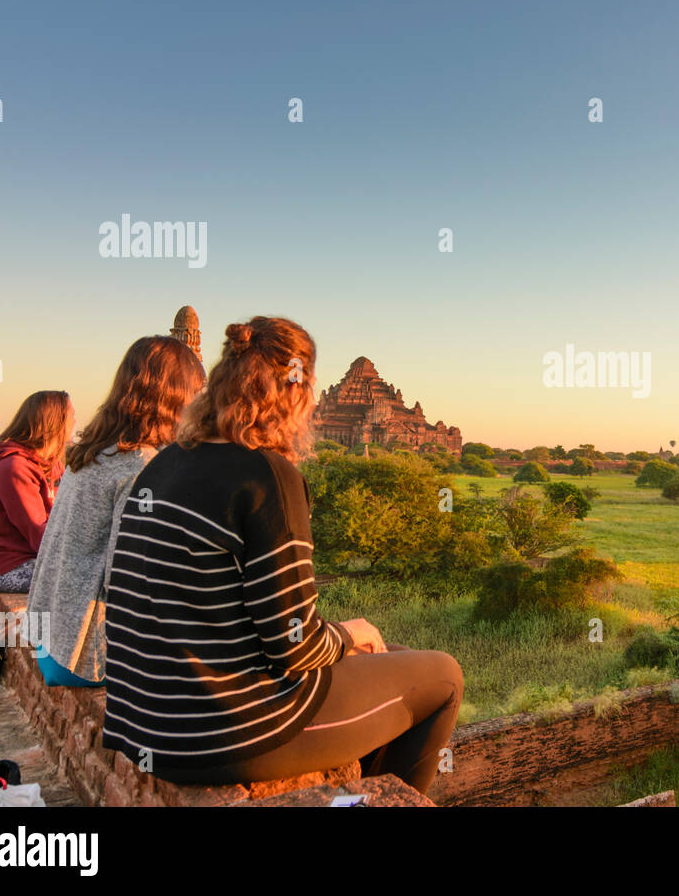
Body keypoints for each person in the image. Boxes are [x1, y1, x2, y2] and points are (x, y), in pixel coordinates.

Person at [101, 316, 463, 794]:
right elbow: (294, 647)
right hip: (220, 734)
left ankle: (353, 799)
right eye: (309, 388)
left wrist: (348, 644)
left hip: (141, 722)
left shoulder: (165, 463)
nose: (314, 403)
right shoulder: (266, 475)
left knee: (393, 657)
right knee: (443, 676)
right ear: (293, 391)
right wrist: (349, 631)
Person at [28, 336, 205, 688]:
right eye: (198, 393)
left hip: (48, 640)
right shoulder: (143, 465)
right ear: (178, 396)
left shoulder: (93, 451)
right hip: (85, 655)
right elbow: (130, 583)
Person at [0, 391, 75, 593]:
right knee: (94, 582)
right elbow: (38, 532)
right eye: (71, 414)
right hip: (12, 567)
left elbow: (67, 515)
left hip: (37, 559)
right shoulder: (14, 467)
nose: (75, 420)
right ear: (55, 421)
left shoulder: (52, 466)